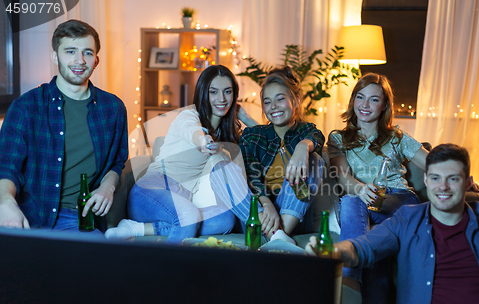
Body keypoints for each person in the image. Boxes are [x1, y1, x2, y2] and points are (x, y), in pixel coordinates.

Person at [306, 144, 479, 304]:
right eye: (435, 178)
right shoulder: (407, 219)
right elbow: (363, 246)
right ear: (425, 180)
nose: (443, 187)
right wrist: (335, 251)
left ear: (468, 182)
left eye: (453, 179)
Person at [0, 20, 128, 232]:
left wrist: (108, 187)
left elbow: (117, 160)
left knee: (100, 263)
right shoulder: (25, 107)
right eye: (70, 51)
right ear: (55, 56)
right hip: (27, 214)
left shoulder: (113, 108)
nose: (80, 60)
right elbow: (6, 165)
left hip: (77, 217)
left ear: (96, 60)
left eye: (87, 52)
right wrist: (6, 202)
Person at [105, 65, 254, 243]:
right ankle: (171, 270)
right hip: (151, 191)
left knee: (224, 220)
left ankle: (136, 228)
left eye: (227, 91)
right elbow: (191, 131)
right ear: (202, 93)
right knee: (188, 215)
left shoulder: (225, 134)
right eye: (213, 91)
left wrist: (244, 116)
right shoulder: (189, 116)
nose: (221, 98)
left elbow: (263, 137)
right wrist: (202, 140)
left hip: (181, 203)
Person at [326, 73, 428, 304]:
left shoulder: (397, 137)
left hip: (398, 200)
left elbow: (431, 162)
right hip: (364, 201)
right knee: (374, 242)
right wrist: (361, 188)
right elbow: (341, 176)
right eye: (360, 97)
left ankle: (349, 280)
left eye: (373, 100)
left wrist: (453, 171)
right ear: (352, 101)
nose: (364, 105)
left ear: (384, 105)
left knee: (353, 205)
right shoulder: (338, 138)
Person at [239, 66, 325, 242]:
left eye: (280, 99)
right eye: (267, 101)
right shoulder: (252, 136)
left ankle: (278, 234)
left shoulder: (306, 131)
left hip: (295, 217)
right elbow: (250, 176)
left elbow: (317, 137)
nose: (273, 107)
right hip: (262, 215)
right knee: (227, 168)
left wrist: (303, 147)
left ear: (296, 100)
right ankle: (279, 237)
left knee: (315, 160)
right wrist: (267, 204)